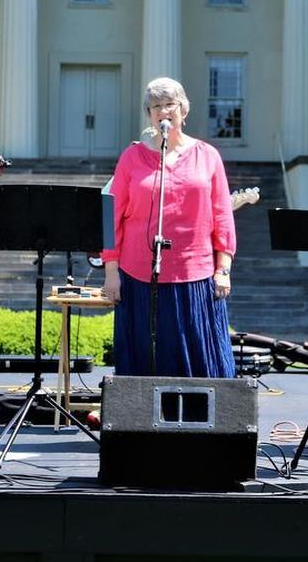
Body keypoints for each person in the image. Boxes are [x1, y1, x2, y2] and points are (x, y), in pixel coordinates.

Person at [101, 77, 237, 377]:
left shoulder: (207, 155)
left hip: (196, 274)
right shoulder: (131, 157)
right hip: (139, 275)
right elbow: (112, 215)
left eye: (169, 104)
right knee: (145, 359)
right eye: (156, 106)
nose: (164, 111)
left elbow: (222, 215)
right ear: (149, 115)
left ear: (183, 110)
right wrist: (111, 273)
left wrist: (222, 269)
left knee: (200, 362)